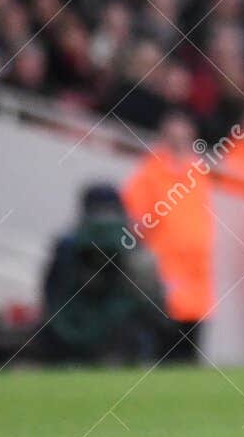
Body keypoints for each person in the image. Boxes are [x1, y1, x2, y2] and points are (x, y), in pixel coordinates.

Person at [41, 185, 174, 364]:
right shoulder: (134, 247)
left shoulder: (67, 245)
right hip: (122, 345)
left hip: (75, 343)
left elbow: (51, 298)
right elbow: (155, 305)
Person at [122, 112, 216, 359]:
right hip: (165, 267)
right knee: (166, 337)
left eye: (184, 139)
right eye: (175, 138)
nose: (180, 144)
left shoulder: (197, 172)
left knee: (192, 340)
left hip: (197, 269)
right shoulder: (148, 174)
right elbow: (135, 221)